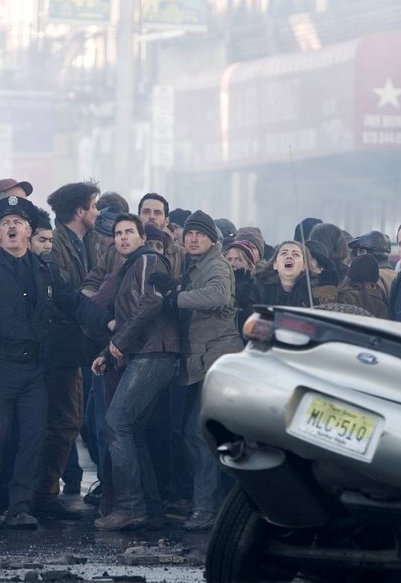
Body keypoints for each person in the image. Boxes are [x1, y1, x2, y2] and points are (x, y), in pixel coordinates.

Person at [0, 195, 110, 530]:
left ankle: (20, 507)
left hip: (33, 369)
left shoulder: (45, 270)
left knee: (33, 439)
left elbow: (74, 303)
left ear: (29, 231)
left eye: (18, 222)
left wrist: (111, 322)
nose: (12, 227)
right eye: (5, 223)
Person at [92, 214, 180, 531]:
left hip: (154, 353)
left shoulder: (147, 260)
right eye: (118, 233)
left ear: (142, 237)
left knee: (117, 423)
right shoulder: (131, 265)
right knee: (131, 429)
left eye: (130, 232)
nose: (123, 238)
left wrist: (117, 343)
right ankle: (150, 508)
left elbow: (151, 302)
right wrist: (108, 351)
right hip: (147, 352)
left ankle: (130, 507)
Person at [170, 210, 243, 531]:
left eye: (200, 233)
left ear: (213, 238)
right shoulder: (195, 265)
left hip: (217, 359)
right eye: (189, 234)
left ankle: (207, 508)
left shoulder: (216, 264)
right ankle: (215, 504)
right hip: (204, 360)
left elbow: (218, 294)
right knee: (200, 435)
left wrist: (175, 298)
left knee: (198, 434)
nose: (193, 238)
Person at [39, 181, 100, 517]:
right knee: (61, 421)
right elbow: (63, 295)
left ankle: (45, 491)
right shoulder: (57, 244)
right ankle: (44, 493)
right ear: (80, 211)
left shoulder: (85, 241)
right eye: (94, 206)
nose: (97, 213)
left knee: (69, 421)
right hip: (58, 346)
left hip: (75, 345)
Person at [252, 240, 316, 308]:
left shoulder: (313, 289)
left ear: (304, 266)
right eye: (284, 253)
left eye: (296, 254)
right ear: (275, 264)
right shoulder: (257, 287)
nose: (289, 257)